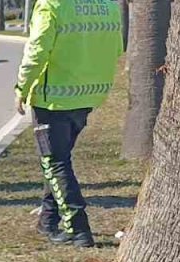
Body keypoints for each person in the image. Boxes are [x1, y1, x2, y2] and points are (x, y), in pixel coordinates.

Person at [15, 0, 124, 247]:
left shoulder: (52, 5)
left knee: (54, 162)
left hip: (53, 97)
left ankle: (78, 228)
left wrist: (22, 87)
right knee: (57, 160)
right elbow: (117, 47)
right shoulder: (107, 5)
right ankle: (48, 218)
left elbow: (37, 50)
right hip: (88, 94)